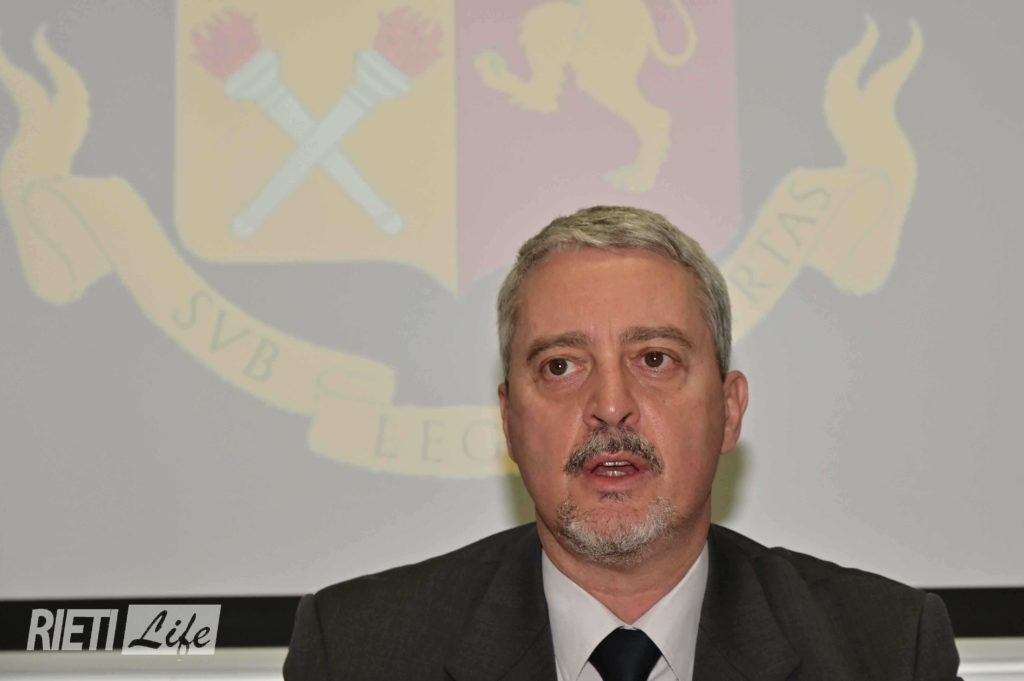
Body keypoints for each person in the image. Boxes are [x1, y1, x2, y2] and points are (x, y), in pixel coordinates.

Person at [284, 206, 961, 680]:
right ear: (509, 421)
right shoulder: (356, 653)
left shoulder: (885, 651)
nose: (610, 405)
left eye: (655, 359)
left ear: (729, 411)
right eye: (560, 365)